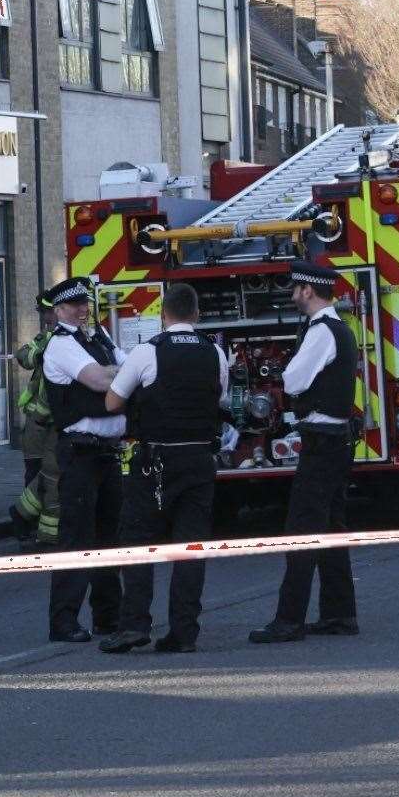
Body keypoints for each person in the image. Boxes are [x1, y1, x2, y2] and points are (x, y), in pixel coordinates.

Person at [98, 283, 227, 653]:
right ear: (196, 314)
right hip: (200, 459)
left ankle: (134, 625)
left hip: (155, 461)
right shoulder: (214, 353)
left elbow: (112, 402)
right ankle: (184, 632)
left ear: (163, 315)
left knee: (137, 540)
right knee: (190, 547)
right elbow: (216, 397)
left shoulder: (146, 352)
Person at [252, 260, 360, 643]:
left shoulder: (321, 332)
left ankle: (289, 620)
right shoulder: (336, 328)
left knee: (301, 531)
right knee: (331, 529)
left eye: (296, 288)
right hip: (335, 440)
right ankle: (339, 614)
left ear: (309, 291)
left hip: (323, 443)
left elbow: (294, 381)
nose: (293, 294)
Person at [41, 276, 125, 642]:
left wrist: (121, 374)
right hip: (80, 452)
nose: (82, 309)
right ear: (58, 310)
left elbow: (121, 370)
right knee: (76, 539)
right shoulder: (61, 345)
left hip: (107, 452)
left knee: (109, 537)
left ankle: (110, 618)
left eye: (84, 303)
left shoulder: (99, 338)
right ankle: (64, 622)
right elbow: (97, 380)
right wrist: (125, 377)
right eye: (74, 305)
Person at [11, 290, 60, 550]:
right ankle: (25, 522)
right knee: (38, 473)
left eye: (49, 312)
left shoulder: (64, 339)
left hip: (51, 422)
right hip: (38, 423)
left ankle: (26, 519)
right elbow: (23, 355)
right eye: (44, 313)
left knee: (49, 476)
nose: (46, 318)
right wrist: (41, 353)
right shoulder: (46, 341)